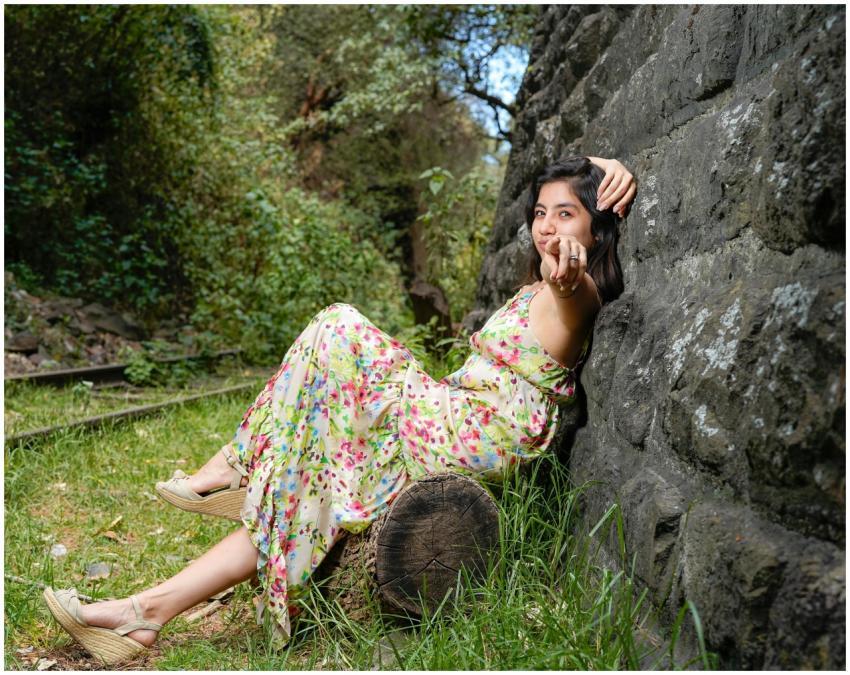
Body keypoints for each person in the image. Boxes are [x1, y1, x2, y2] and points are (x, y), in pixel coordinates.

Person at [42, 155, 635, 665]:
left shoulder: (576, 293)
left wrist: (568, 274)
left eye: (567, 214)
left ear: (595, 227)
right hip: (453, 418)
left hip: (477, 432)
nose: (548, 228)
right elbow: (566, 233)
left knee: (339, 325)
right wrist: (608, 165)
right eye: (540, 213)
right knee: (306, 483)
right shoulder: (534, 286)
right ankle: (145, 612)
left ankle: (237, 462)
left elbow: (572, 288)